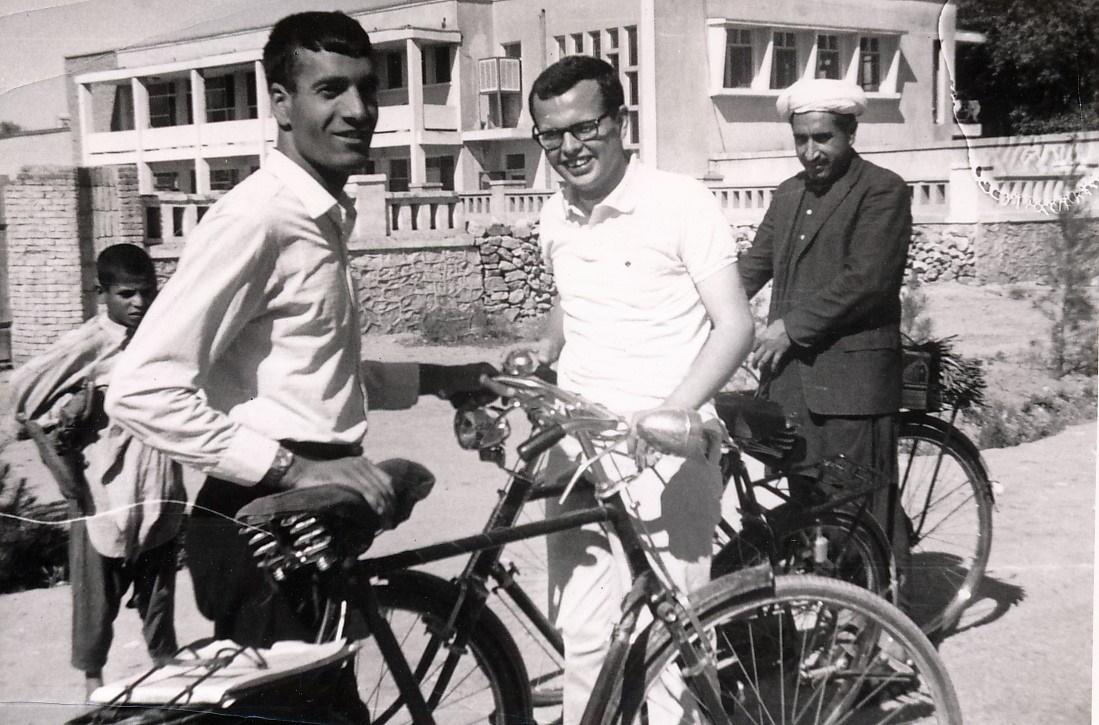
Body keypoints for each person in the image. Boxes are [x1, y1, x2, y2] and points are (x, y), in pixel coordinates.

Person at [105, 11, 490, 653]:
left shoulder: (321, 217)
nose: (359, 109)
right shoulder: (258, 219)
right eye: (330, 89)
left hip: (312, 515)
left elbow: (307, 374)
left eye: (367, 89)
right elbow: (139, 390)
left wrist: (444, 378)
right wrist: (294, 469)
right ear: (281, 103)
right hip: (261, 526)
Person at [528, 55, 755, 724]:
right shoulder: (554, 216)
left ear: (619, 121)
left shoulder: (680, 201)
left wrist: (671, 410)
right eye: (550, 134)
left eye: (584, 126)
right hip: (579, 451)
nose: (569, 147)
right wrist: (545, 346)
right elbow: (573, 301)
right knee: (584, 634)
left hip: (667, 450)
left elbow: (734, 324)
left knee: (676, 636)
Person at [737, 78, 912, 579]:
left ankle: (885, 625)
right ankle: (835, 601)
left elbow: (868, 280)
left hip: (853, 383)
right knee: (808, 503)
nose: (810, 152)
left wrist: (789, 328)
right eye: (801, 139)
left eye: (822, 138)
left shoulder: (882, 189)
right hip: (795, 379)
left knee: (861, 509)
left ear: (850, 133)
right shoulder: (788, 194)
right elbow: (756, 263)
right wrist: (704, 308)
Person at [11, 244, 185, 698]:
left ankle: (168, 672)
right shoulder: (86, 344)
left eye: (147, 292)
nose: (139, 304)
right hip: (103, 493)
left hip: (158, 484)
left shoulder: (163, 335)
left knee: (159, 596)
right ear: (101, 292)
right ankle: (94, 685)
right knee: (96, 601)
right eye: (127, 294)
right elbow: (23, 395)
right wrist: (65, 419)